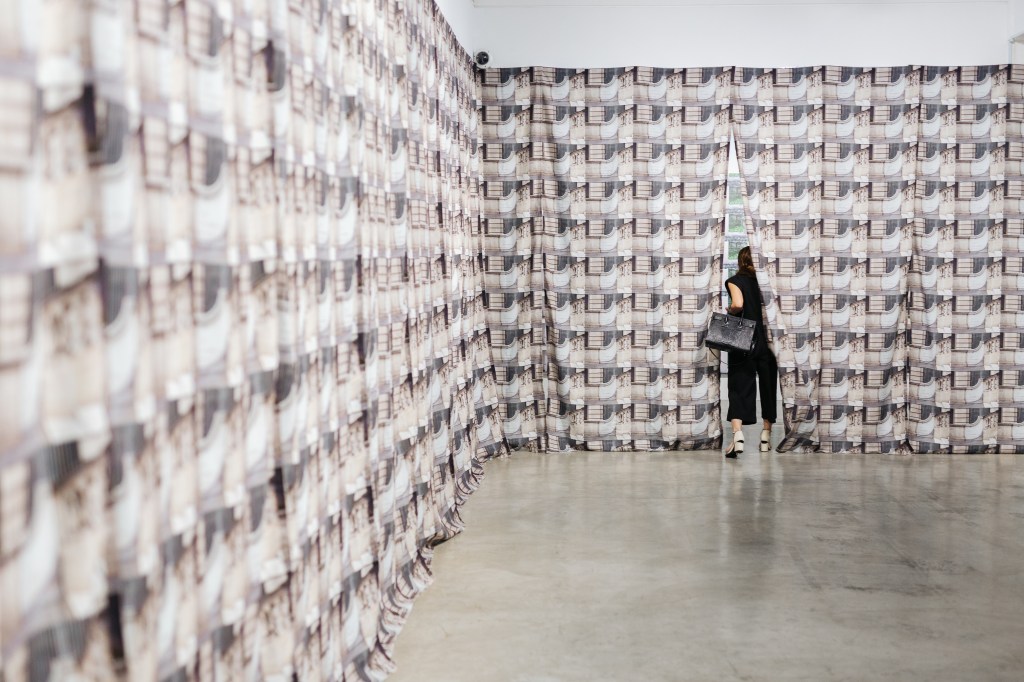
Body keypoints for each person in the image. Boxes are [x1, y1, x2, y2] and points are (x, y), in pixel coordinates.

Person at [724, 246, 777, 458]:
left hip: (743, 341)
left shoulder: (734, 281)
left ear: (741, 261)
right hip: (768, 342)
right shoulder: (768, 283)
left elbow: (738, 304)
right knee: (768, 388)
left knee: (739, 387)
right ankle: (766, 437)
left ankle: (737, 435)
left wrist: (730, 310)